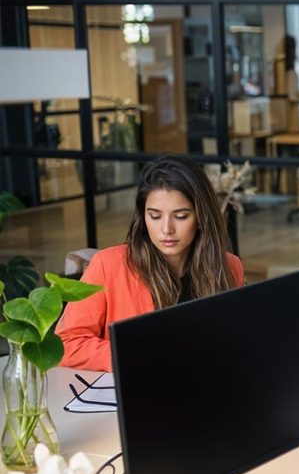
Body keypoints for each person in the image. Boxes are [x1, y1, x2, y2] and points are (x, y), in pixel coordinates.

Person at [57, 155, 245, 371]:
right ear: (143, 217)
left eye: (181, 216)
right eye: (155, 216)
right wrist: (136, 355)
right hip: (139, 384)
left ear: (201, 218)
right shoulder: (108, 266)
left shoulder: (229, 266)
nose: (166, 229)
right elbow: (66, 343)